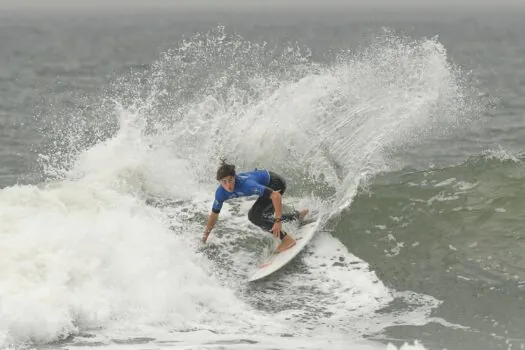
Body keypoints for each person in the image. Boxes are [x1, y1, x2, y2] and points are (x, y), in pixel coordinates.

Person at [202, 159, 308, 253]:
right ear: (219, 182)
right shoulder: (220, 193)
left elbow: (276, 196)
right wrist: (205, 236)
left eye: (230, 180)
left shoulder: (246, 185)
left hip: (275, 183)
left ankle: (286, 240)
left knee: (254, 215)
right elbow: (214, 215)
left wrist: (278, 221)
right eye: (224, 182)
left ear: (235, 177)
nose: (228, 185)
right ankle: (296, 216)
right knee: (263, 216)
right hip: (267, 184)